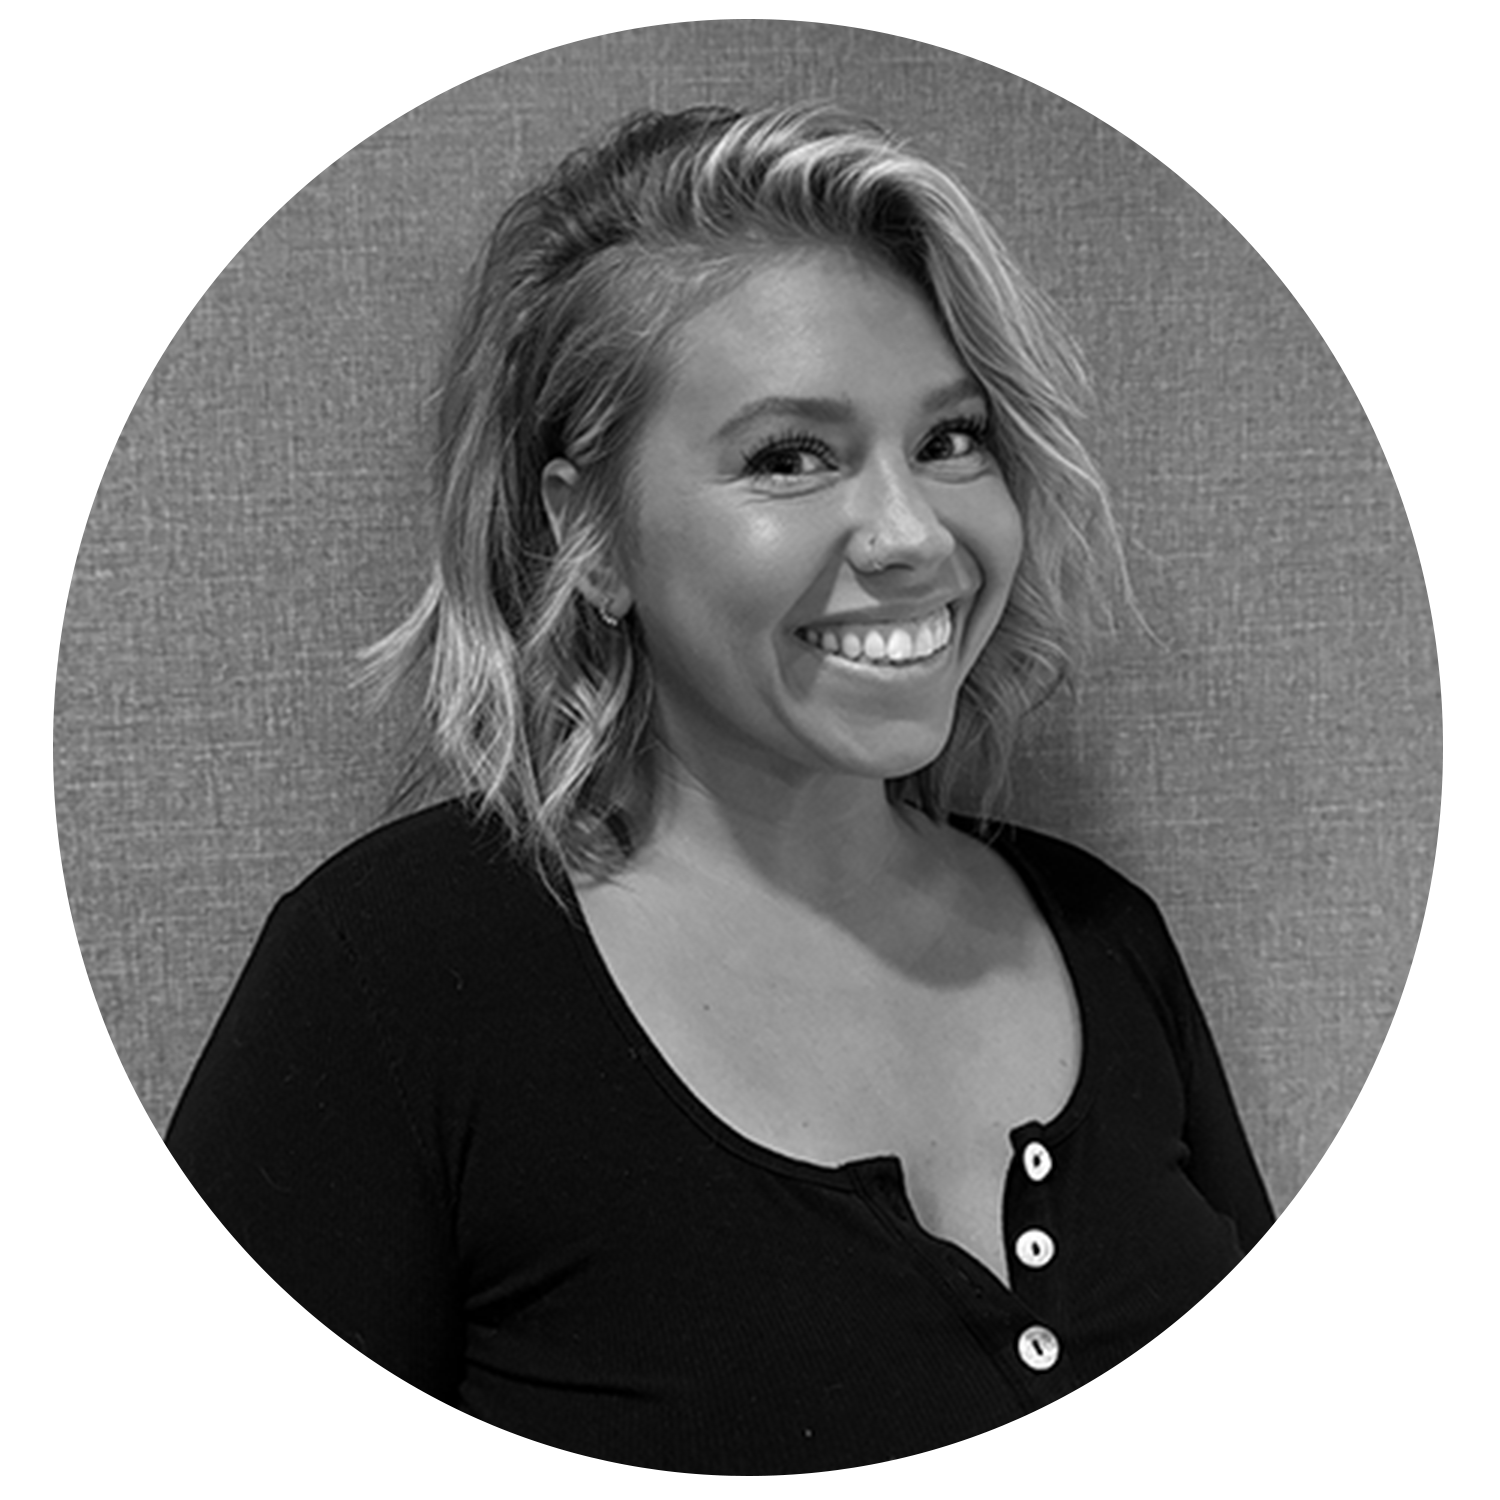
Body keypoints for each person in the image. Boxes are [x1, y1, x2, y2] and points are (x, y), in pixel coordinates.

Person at [115, 103, 1357, 1472]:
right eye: (790, 456)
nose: (912, 533)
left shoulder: (1103, 940)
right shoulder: (391, 986)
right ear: (584, 534)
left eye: (952, 439)